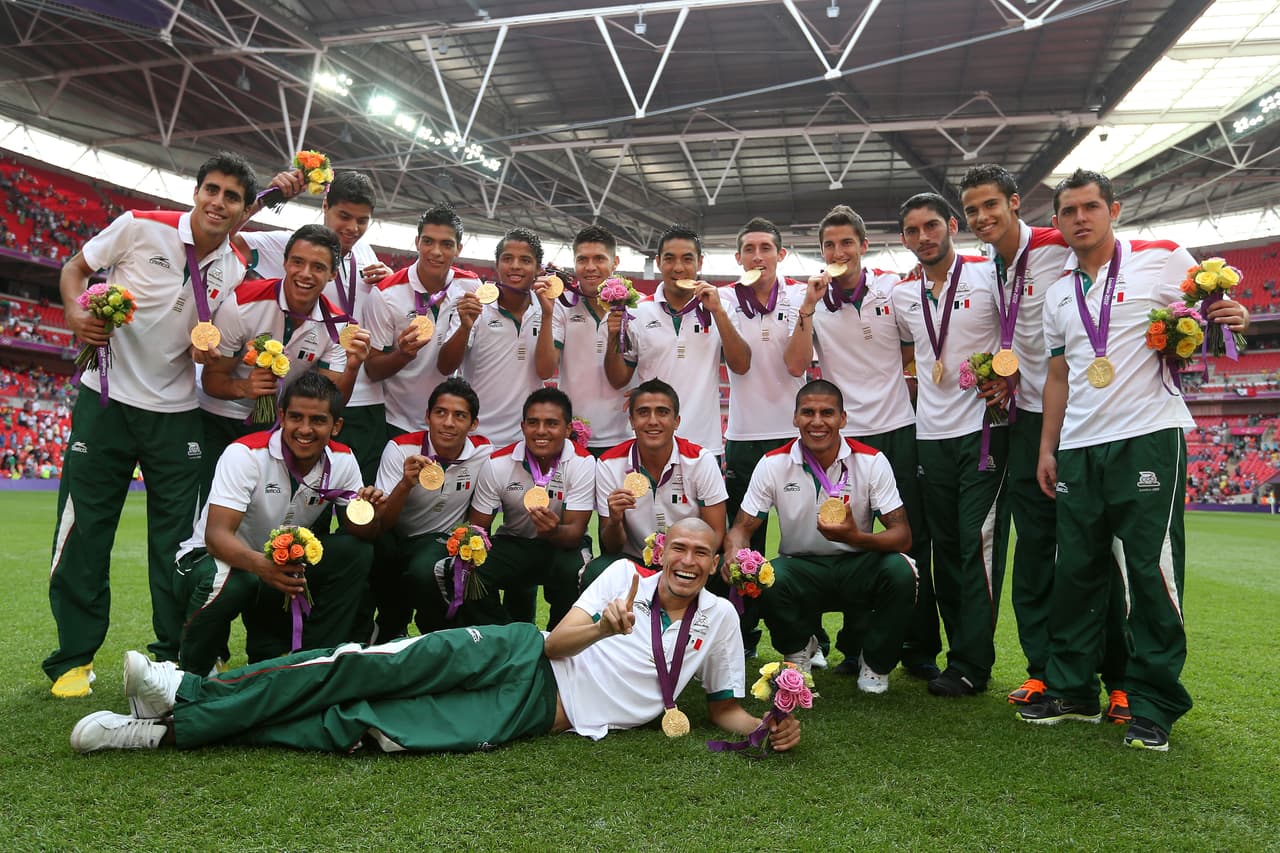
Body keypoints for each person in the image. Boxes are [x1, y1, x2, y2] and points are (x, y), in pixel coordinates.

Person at [70, 519, 799, 755]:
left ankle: (165, 732)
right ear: (662, 551)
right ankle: (188, 688)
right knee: (361, 666)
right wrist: (603, 625)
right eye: (679, 548)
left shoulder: (720, 620)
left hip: (538, 714)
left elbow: (724, 708)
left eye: (703, 553)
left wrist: (767, 727)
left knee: (366, 728)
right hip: (520, 654)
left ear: (715, 563)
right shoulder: (622, 577)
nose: (688, 561)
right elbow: (554, 643)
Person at [1018, 169, 1249, 751]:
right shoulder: (1058, 293)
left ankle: (1153, 702)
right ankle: (1073, 690)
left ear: (1113, 210)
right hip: (1078, 445)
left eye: (1090, 207)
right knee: (1076, 570)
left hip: (1147, 435)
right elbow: (1059, 374)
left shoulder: (1163, 258)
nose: (1080, 218)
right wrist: (1047, 447)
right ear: (1057, 222)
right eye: (1068, 211)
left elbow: (1216, 309)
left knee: (1150, 570)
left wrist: (1235, 316)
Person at [45, 151, 258, 697]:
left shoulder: (235, 266)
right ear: (196, 192)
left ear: (243, 210)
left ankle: (172, 653)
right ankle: (73, 659)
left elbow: (215, 345)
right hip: (106, 397)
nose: (219, 202)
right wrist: (75, 313)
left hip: (177, 412)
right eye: (212, 189)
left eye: (232, 197)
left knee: (178, 541)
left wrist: (217, 356)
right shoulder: (141, 225)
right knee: (86, 528)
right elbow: (74, 269)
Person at [959, 164, 1129, 721]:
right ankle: (1044, 670)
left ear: (1015, 203)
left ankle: (1119, 677)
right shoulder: (989, 266)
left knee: (1094, 550)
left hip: (1087, 419)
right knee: (1033, 552)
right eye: (972, 209)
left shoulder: (1059, 243)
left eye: (991, 204)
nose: (982, 217)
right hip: (1026, 421)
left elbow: (1115, 264)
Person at [784, 204, 937, 679]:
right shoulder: (811, 300)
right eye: (829, 245)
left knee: (911, 541)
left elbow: (917, 345)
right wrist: (808, 307)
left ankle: (919, 648)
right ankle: (856, 648)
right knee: (850, 540)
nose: (838, 252)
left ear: (864, 246)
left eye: (847, 242)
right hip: (845, 438)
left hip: (897, 429)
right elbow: (795, 364)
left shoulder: (893, 288)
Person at [174, 372, 384, 676]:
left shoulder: (343, 460)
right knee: (234, 580)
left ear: (336, 426)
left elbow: (359, 532)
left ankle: (315, 662)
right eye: (296, 417)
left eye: (318, 420)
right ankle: (192, 672)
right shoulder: (245, 454)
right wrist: (263, 566)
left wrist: (371, 511)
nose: (305, 429)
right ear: (282, 416)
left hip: (275, 564)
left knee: (355, 551)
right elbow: (217, 537)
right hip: (212, 561)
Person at [891, 192, 1010, 699]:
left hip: (984, 430)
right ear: (904, 239)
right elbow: (907, 354)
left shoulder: (990, 275)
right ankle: (953, 655)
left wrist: (1007, 375)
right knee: (942, 552)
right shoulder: (902, 295)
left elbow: (1018, 335)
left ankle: (971, 663)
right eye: (913, 230)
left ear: (952, 226)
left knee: (974, 547)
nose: (924, 237)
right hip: (929, 436)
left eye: (932, 226)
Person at [723, 380, 916, 693]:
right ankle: (799, 646)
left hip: (857, 566)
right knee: (765, 576)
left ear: (843, 418)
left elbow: (902, 536)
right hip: (801, 568)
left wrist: (855, 537)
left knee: (901, 570)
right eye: (808, 412)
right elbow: (741, 529)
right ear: (795, 418)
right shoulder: (773, 464)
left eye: (827, 413)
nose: (817, 421)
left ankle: (876, 663)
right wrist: (734, 553)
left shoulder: (871, 461)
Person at [235, 171, 394, 485]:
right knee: (304, 496)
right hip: (315, 402)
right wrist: (265, 200)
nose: (352, 228)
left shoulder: (365, 252)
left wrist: (392, 282)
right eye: (344, 216)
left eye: (362, 221)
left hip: (367, 400)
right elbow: (226, 240)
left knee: (361, 501)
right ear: (325, 206)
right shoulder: (293, 245)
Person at [198, 224, 370, 486]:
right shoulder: (241, 304)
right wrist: (243, 387)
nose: (305, 274)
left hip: (277, 430)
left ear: (333, 274)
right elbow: (212, 380)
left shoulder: (338, 326)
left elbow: (329, 400)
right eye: (298, 262)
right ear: (285, 263)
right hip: (220, 417)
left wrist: (353, 368)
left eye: (318, 267)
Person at [604, 224, 751, 460]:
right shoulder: (638, 311)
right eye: (670, 259)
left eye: (687, 259)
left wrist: (718, 312)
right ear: (659, 262)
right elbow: (617, 379)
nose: (678, 268)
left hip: (705, 445)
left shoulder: (721, 308)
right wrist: (613, 337)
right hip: (651, 445)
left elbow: (741, 365)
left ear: (699, 263)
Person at [465, 388, 595, 629]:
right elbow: (477, 529)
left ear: (568, 429)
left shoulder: (582, 462)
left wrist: (553, 531)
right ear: (523, 427)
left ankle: (557, 640)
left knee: (576, 571)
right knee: (469, 566)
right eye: (533, 422)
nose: (541, 431)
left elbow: (575, 533)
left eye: (551, 423)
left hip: (562, 545)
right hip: (515, 542)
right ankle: (504, 636)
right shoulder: (498, 463)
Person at [372, 378, 493, 637]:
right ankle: (385, 628)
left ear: (473, 424)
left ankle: (438, 634)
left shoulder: (483, 453)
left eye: (459, 416)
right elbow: (383, 523)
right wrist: (405, 484)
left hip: (441, 541)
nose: (448, 423)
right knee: (374, 550)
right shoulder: (400, 449)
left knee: (423, 570)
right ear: (427, 416)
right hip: (397, 537)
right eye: (440, 412)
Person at [582, 379, 727, 588]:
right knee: (597, 571)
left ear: (676, 421)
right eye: (643, 413)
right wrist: (614, 520)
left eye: (662, 412)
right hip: (635, 562)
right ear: (632, 421)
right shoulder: (609, 464)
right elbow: (612, 547)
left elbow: (716, 532)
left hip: (688, 560)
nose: (652, 421)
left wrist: (685, 561)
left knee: (724, 569)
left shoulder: (700, 460)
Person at [363, 203, 480, 439]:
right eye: (428, 241)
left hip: (443, 423)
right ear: (417, 242)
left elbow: (446, 367)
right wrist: (403, 355)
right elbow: (372, 370)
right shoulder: (386, 294)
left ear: (458, 249)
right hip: (394, 420)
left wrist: (465, 327)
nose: (436, 251)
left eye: (446, 244)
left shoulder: (470, 286)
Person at [438, 228, 555, 446]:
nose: (515, 266)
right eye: (507, 259)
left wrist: (547, 316)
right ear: (497, 264)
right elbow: (445, 367)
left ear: (538, 268)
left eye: (525, 260)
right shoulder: (475, 304)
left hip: (525, 439)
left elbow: (546, 372)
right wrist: (464, 327)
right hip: (476, 436)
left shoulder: (546, 307)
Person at [534, 225, 634, 455]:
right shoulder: (561, 304)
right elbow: (545, 371)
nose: (590, 267)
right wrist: (547, 314)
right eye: (582, 259)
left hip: (624, 436)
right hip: (573, 436)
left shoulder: (634, 308)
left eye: (599, 258)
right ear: (574, 262)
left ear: (615, 262)